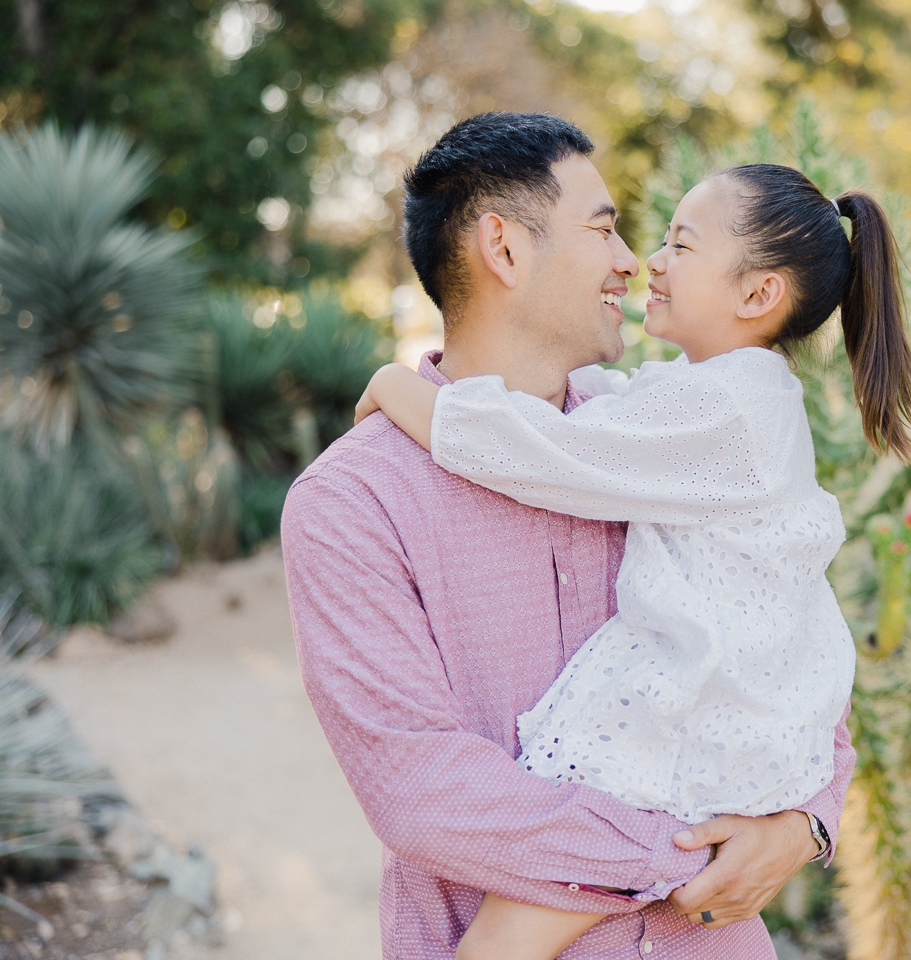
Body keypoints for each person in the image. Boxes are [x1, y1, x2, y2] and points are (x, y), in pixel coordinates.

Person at [281, 113, 856, 960]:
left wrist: (806, 825)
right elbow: (422, 792)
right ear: (505, 250)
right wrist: (680, 850)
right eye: (607, 228)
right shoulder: (354, 501)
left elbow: (787, 658)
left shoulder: (670, 440)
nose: (634, 261)